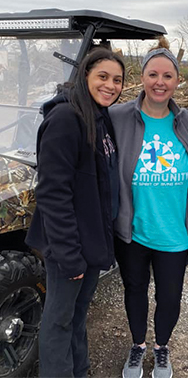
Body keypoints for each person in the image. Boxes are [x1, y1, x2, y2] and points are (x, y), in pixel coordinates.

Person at [26, 47, 125, 377]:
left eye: (117, 80)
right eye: (103, 77)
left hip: (91, 241)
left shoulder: (99, 115)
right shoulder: (66, 119)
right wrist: (69, 255)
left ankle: (79, 370)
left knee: (78, 314)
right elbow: (52, 193)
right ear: (85, 76)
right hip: (69, 245)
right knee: (58, 320)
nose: (110, 85)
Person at [109, 37, 188, 378]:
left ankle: (161, 348)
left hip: (174, 231)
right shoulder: (117, 117)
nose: (160, 82)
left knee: (170, 297)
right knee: (135, 291)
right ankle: (137, 346)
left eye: (168, 76)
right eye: (153, 74)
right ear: (142, 78)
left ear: (177, 81)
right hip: (133, 229)